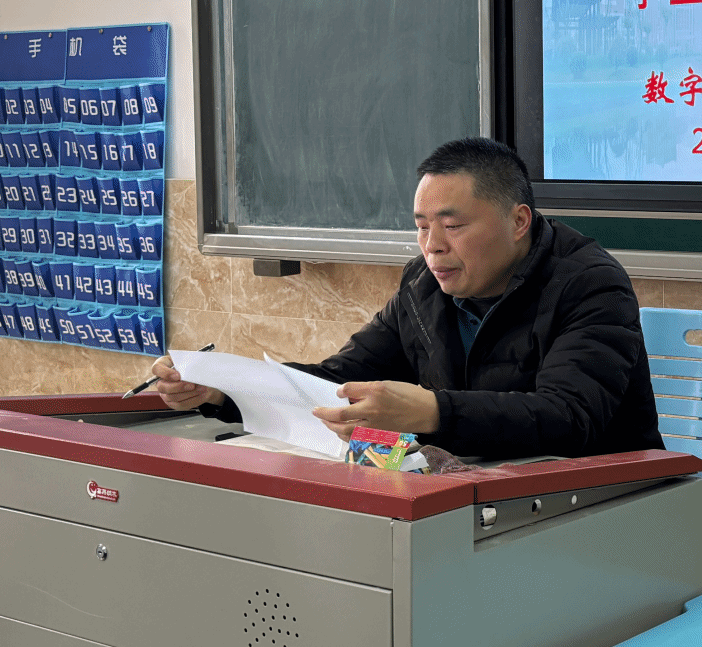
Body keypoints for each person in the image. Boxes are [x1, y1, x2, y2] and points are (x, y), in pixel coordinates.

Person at [149, 137, 662, 459]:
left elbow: (569, 420)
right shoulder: (423, 285)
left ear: (518, 221)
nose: (433, 246)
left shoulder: (590, 285)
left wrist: (433, 412)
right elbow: (337, 382)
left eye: (453, 226)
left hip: (598, 502)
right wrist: (222, 389)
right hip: (478, 496)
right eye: (421, 227)